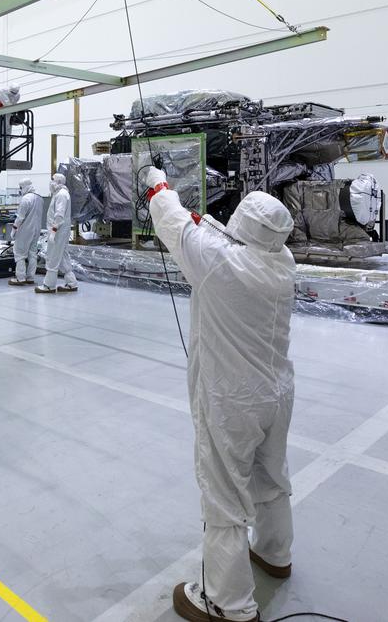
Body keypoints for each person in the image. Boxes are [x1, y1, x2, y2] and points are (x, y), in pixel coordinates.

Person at [141, 167, 297, 622]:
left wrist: (158, 182)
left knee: (225, 497)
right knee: (271, 479)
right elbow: (209, 234)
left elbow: (172, 222)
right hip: (279, 392)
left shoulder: (218, 260)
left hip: (233, 399)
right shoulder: (280, 262)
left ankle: (227, 603)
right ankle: (275, 554)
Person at [36, 173, 77, 293]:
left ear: (58, 182)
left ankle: (49, 285)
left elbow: (59, 215)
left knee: (52, 257)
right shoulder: (60, 194)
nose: (50, 182)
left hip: (58, 231)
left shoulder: (61, 195)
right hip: (59, 231)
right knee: (63, 256)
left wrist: (53, 231)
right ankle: (71, 282)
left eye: (52, 180)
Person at [10, 178, 42, 286]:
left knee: (19, 253)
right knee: (32, 254)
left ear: (25, 186)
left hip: (26, 230)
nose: (20, 190)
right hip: (37, 229)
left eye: (21, 187)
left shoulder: (26, 199)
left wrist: (14, 229)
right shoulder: (39, 198)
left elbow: (20, 218)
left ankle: (20, 278)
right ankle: (30, 277)